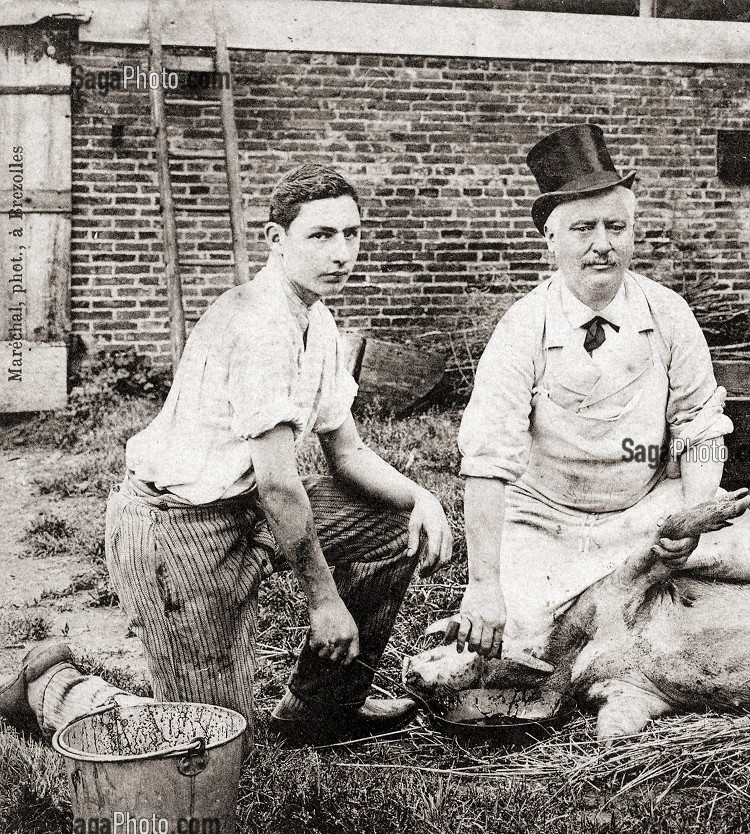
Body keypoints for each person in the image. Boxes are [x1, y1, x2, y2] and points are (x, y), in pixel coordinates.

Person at [0, 164, 452, 744]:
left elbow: (348, 451)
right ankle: (52, 685)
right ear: (276, 240)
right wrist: (324, 600)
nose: (342, 252)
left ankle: (324, 708)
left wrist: (422, 497)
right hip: (176, 529)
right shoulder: (261, 324)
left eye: (352, 234)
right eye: (321, 235)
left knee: (391, 523)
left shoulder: (319, 319)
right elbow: (281, 487)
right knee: (209, 742)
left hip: (246, 511)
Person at [450, 124, 750, 663]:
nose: (602, 245)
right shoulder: (523, 327)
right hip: (546, 521)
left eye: (615, 227)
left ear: (632, 234)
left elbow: (699, 423)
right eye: (582, 229)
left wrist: (691, 517)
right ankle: (600, 595)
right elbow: (486, 461)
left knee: (747, 553)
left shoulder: (668, 313)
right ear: (550, 239)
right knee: (520, 636)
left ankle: (626, 585)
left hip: (643, 510)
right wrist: (484, 584)